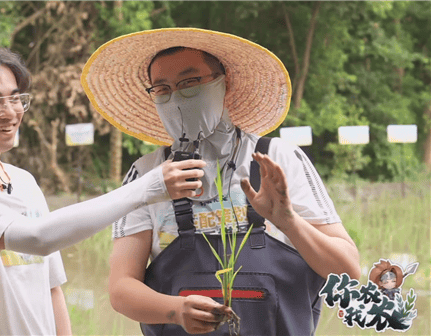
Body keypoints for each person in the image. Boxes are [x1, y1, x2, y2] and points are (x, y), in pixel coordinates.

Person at [0, 42, 218, 336]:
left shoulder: (23, 181)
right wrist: (148, 186)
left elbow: (50, 288)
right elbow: (38, 238)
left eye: (16, 99)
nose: (11, 112)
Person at [81, 28, 360, 335]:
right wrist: (174, 310)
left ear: (223, 82)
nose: (176, 98)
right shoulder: (147, 175)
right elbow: (121, 288)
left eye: (189, 82)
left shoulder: (278, 159)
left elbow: (347, 271)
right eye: (162, 89)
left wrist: (287, 219)